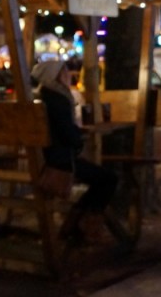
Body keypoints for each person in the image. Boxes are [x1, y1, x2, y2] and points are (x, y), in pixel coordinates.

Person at [31, 59, 118, 245]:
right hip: (60, 164)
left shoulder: (40, 98)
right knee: (108, 179)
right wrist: (79, 141)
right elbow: (69, 135)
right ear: (54, 77)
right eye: (64, 72)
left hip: (45, 160)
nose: (68, 75)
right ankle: (83, 227)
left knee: (99, 177)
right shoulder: (58, 99)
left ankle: (75, 225)